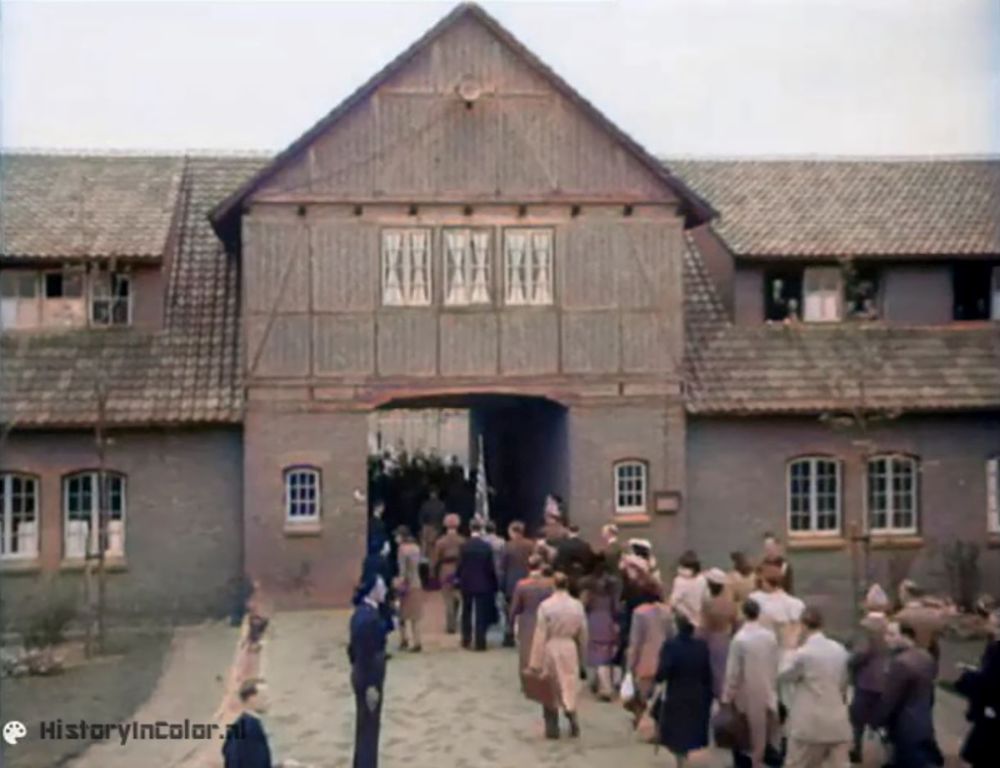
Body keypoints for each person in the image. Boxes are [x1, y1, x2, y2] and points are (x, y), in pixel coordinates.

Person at [777, 606, 852, 768]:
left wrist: (789, 647)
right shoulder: (839, 649)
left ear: (803, 626)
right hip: (837, 720)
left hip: (809, 724)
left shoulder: (803, 654)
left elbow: (783, 674)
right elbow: (843, 682)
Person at [528, 571, 588, 739]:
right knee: (569, 682)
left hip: (551, 646)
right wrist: (583, 656)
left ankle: (552, 726)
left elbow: (540, 634)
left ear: (554, 585)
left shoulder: (546, 606)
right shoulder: (577, 605)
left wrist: (535, 662)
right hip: (569, 646)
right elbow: (583, 633)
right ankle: (571, 710)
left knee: (549, 685)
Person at [873, 622, 941, 768]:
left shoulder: (900, 663)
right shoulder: (926, 657)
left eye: (891, 635)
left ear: (905, 636)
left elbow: (890, 699)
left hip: (904, 726)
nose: (886, 639)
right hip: (923, 723)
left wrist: (877, 720)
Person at [722, 599, 781, 768]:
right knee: (766, 731)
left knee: (747, 733)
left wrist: (727, 695)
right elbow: (775, 661)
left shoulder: (740, 639)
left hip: (745, 692)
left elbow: (733, 671)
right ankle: (761, 758)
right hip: (768, 687)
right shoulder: (769, 636)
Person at [655, 612, 713, 767]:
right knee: (689, 728)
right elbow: (707, 672)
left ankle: (680, 759)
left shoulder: (671, 646)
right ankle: (684, 756)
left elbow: (662, 672)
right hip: (697, 692)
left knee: (677, 729)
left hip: (677, 693)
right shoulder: (701, 647)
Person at [348, 572, 389, 768]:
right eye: (382, 588)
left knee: (367, 725)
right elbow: (365, 653)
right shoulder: (368, 617)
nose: (385, 591)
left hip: (363, 674)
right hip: (369, 677)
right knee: (369, 728)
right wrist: (371, 683)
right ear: (373, 591)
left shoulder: (363, 613)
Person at [848, 585, 891, 764]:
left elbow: (861, 652)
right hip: (888, 678)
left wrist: (850, 663)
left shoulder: (866, 626)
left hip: (867, 679)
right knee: (886, 719)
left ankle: (856, 750)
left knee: (857, 718)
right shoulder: (891, 624)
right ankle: (890, 755)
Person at [955, 606, 1000, 768]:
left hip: (992, 711)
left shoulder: (995, 649)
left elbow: (989, 680)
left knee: (979, 754)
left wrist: (967, 676)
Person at [626, 582, 674, 722]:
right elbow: (671, 634)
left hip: (645, 657)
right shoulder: (667, 611)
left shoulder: (639, 612)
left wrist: (630, 664)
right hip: (663, 654)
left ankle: (642, 720)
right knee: (659, 694)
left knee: (643, 693)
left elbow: (636, 640)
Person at [510, 555, 556, 694]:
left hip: (527, 619)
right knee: (543, 651)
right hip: (545, 620)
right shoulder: (549, 584)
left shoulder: (522, 584)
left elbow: (516, 607)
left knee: (525, 653)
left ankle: (526, 684)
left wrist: (511, 620)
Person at [456, 519, 498, 651]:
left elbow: (460, 565)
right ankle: (480, 642)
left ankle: (466, 639)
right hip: (483, 582)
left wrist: (457, 578)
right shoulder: (486, 547)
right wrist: (494, 583)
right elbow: (490, 567)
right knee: (481, 613)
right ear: (481, 530)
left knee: (466, 612)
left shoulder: (464, 546)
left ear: (470, 529)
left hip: (467, 582)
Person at [580, 562, 620, 700]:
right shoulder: (611, 593)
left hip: (594, 622)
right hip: (608, 622)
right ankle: (600, 683)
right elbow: (616, 609)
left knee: (598, 657)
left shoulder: (589, 592)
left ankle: (605, 688)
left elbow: (583, 607)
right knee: (606, 655)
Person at [702, 567, 737, 700]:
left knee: (715, 670)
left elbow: (705, 625)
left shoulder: (709, 603)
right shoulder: (729, 600)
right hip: (726, 637)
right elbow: (734, 619)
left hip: (712, 638)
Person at [222, 679, 273, 768]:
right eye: (264, 697)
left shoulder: (237, 726)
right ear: (252, 699)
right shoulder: (252, 729)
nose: (269, 701)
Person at [500, 521, 535, 647]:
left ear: (512, 532)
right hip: (529, 581)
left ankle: (508, 637)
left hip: (511, 582)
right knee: (528, 610)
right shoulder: (531, 545)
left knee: (510, 610)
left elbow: (502, 567)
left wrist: (501, 586)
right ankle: (528, 637)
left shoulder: (507, 546)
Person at [430, 513, 465, 634]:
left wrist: (432, 572)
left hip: (445, 569)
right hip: (460, 569)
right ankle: (456, 619)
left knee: (448, 597)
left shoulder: (441, 542)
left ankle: (451, 625)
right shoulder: (462, 540)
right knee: (458, 597)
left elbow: (435, 558)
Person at [393, 526, 423, 652]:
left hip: (406, 586)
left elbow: (403, 571)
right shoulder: (416, 548)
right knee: (415, 616)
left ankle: (403, 639)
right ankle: (417, 641)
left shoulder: (402, 550)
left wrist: (397, 584)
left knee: (401, 615)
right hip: (417, 583)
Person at [670, 550, 709, 630]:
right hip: (698, 620)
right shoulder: (702, 579)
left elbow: (673, 602)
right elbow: (706, 598)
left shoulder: (679, 581)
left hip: (682, 621)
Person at [417, 487, 447, 559]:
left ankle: (426, 560)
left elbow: (421, 518)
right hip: (438, 528)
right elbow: (444, 518)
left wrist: (422, 527)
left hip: (427, 528)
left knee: (427, 547)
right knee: (436, 546)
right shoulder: (442, 505)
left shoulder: (425, 505)